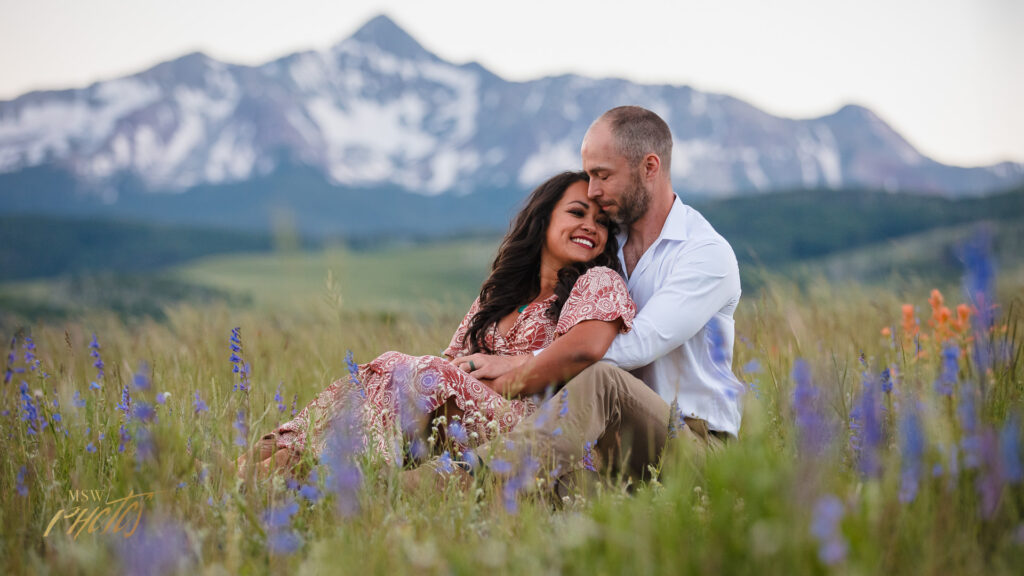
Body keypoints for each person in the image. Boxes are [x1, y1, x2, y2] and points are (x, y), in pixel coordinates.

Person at [236, 171, 637, 478]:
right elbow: (453, 361)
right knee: (374, 377)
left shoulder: (597, 282)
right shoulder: (497, 295)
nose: (591, 226)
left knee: (412, 370)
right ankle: (266, 459)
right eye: (577, 213)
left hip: (536, 424)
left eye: (602, 223)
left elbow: (584, 352)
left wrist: (495, 380)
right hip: (472, 415)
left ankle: (306, 471)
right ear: (543, 219)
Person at [458, 106, 744, 484]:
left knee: (604, 379)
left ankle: (460, 477)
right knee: (559, 491)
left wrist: (518, 366)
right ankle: (406, 478)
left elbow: (638, 344)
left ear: (650, 167)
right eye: (589, 174)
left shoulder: (704, 253)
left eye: (602, 175)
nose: (593, 190)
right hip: (607, 441)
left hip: (692, 443)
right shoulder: (602, 247)